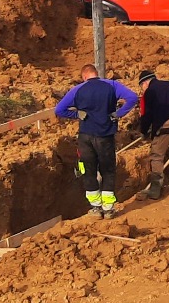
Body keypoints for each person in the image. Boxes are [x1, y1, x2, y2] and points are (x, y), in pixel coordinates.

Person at [55, 63, 139, 217]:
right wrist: (119, 114)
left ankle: (95, 207)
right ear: (96, 73)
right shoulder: (112, 85)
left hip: (85, 136)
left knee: (88, 170)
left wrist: (77, 115)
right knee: (107, 170)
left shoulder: (77, 89)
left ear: (84, 76)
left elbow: (59, 110)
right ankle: (108, 209)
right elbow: (132, 98)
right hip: (105, 136)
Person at [134, 68, 169, 200]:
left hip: (165, 124)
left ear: (145, 83)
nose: (142, 90)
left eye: (141, 87)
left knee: (157, 156)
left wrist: (144, 131)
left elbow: (147, 115)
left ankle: (155, 189)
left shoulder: (150, 91)